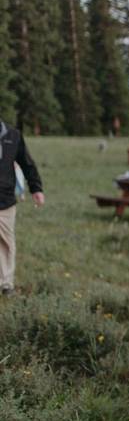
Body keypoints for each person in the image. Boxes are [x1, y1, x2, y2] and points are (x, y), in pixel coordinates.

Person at [0, 119, 44, 296]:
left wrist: (36, 188)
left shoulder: (13, 136)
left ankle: (6, 284)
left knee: (6, 244)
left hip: (5, 201)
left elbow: (27, 163)